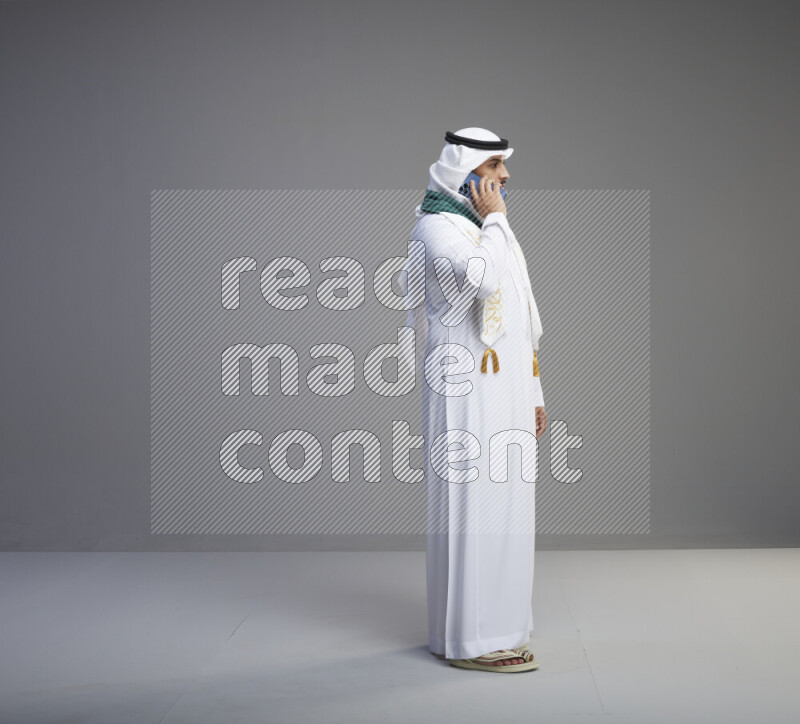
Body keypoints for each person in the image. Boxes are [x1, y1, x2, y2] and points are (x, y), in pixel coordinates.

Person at [402, 128, 547, 673]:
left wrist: (533, 390)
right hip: (464, 388)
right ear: (465, 173)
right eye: (494, 170)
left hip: (504, 388)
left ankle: (494, 629)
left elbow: (520, 316)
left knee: (507, 505)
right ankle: (469, 639)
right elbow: (482, 282)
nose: (505, 179)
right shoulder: (436, 227)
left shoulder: (486, 228)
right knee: (473, 505)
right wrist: (496, 221)